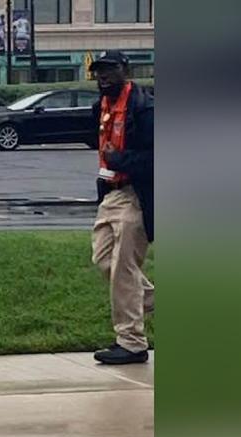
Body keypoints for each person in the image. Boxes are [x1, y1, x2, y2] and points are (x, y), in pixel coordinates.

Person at [89, 50, 155, 365]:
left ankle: (131, 343)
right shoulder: (100, 106)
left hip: (138, 194)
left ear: (125, 70)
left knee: (124, 268)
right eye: (99, 71)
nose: (103, 76)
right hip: (111, 193)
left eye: (110, 70)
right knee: (103, 259)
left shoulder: (145, 109)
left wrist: (120, 160)